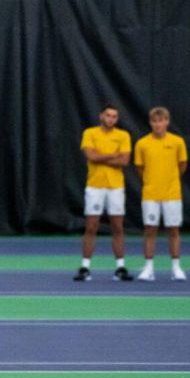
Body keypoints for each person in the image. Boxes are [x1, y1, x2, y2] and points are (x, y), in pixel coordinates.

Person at [75, 104, 132, 282]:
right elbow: (91, 156)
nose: (111, 119)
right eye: (108, 115)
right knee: (91, 227)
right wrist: (111, 155)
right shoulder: (89, 133)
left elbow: (124, 160)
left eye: (114, 116)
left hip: (115, 187)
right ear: (101, 116)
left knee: (117, 227)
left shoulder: (123, 135)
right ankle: (85, 267)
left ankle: (120, 268)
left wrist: (102, 156)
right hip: (95, 186)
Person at [133, 107, 189, 282]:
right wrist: (152, 181)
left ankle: (176, 268)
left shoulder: (177, 142)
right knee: (150, 230)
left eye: (161, 120)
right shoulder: (142, 143)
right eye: (154, 121)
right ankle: (149, 269)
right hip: (150, 194)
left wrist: (169, 180)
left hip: (172, 194)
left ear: (167, 122)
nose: (158, 124)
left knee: (173, 230)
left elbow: (182, 165)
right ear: (150, 123)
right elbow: (139, 168)